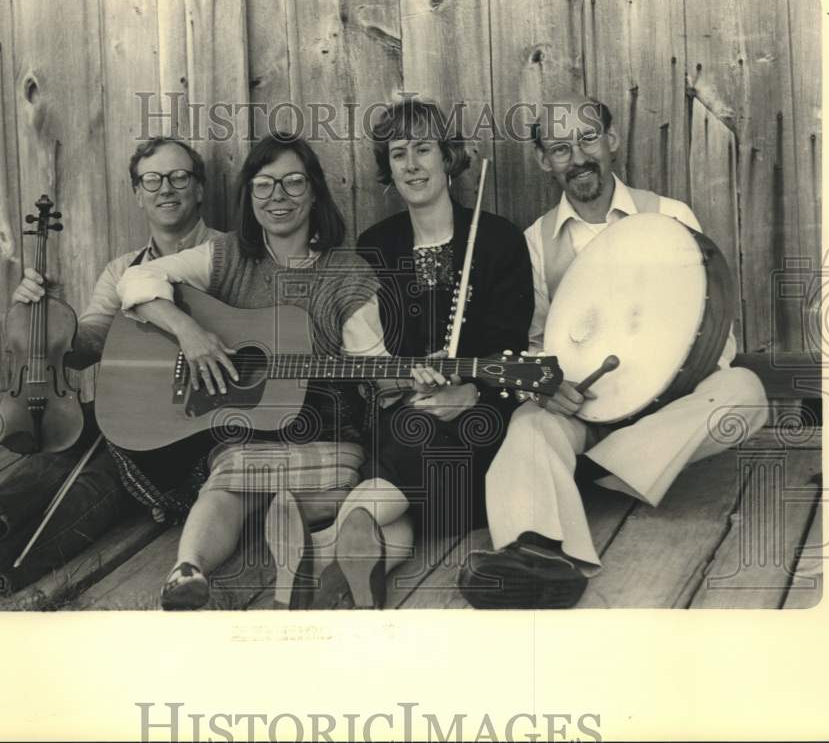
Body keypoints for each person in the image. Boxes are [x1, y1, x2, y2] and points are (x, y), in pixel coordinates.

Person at [456, 92, 769, 609]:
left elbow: (715, 327)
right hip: (587, 407)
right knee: (530, 426)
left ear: (612, 139)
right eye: (559, 148)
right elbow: (533, 348)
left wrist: (667, 374)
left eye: (587, 138)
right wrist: (552, 387)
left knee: (745, 391)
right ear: (543, 161)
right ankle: (536, 550)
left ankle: (594, 473)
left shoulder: (667, 215)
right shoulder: (535, 242)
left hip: (670, 407)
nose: (577, 157)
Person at [0, 137, 222, 593]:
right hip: (130, 413)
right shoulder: (121, 270)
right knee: (69, 445)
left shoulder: (228, 255)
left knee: (99, 475)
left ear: (199, 189)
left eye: (179, 177)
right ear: (138, 193)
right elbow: (89, 342)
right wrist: (49, 318)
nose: (166, 189)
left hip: (193, 430)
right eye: (152, 179)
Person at [265, 96, 535, 609]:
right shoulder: (375, 247)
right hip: (401, 417)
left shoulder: (499, 240)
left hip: (482, 420)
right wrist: (398, 384)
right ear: (386, 168)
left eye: (423, 149)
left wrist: (472, 393)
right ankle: (350, 563)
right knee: (411, 450)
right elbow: (367, 356)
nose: (411, 164)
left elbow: (510, 350)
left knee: (427, 463)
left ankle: (317, 552)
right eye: (397, 153)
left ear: (447, 156)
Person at [116, 132, 395, 610]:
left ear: (314, 192)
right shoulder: (225, 256)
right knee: (227, 486)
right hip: (248, 430)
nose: (278, 198)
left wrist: (413, 380)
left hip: (323, 427)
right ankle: (187, 571)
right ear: (249, 195)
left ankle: (290, 525)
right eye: (264, 185)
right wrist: (189, 331)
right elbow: (137, 279)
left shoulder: (347, 273)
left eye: (292, 183)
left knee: (321, 488)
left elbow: (374, 367)